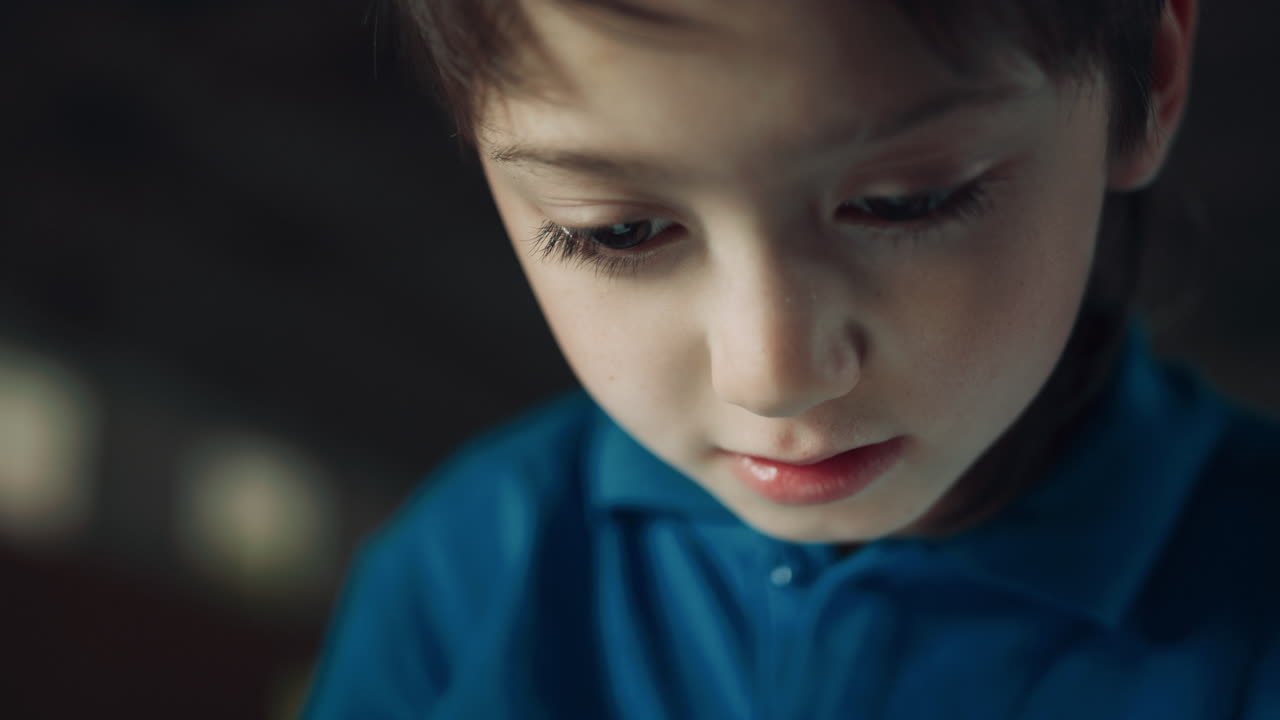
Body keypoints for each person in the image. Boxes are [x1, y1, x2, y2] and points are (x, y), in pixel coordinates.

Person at [303, 0, 1279, 717]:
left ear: (1146, 79)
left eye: (902, 202)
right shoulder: (465, 574)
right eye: (620, 231)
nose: (770, 371)